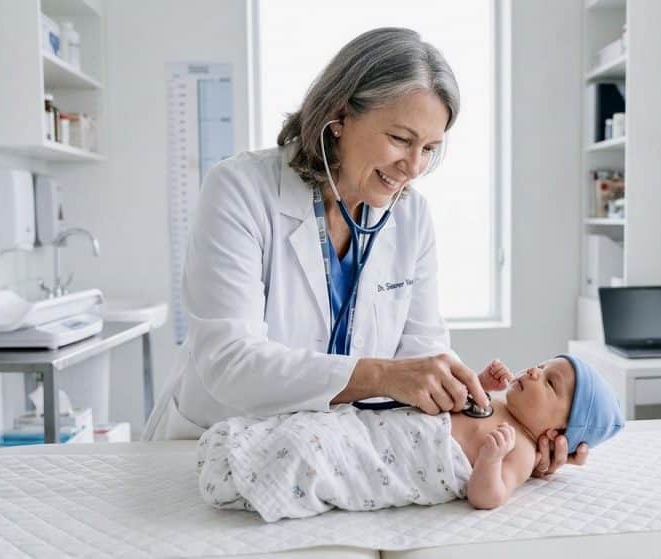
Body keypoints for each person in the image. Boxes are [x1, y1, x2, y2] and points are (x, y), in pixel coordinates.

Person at [145, 27, 587, 476]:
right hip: (214, 448)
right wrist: (379, 376)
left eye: (430, 149)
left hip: (323, 461)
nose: (413, 167)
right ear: (339, 116)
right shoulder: (240, 190)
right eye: (400, 139)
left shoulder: (411, 218)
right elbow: (230, 362)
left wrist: (519, 434)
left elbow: (422, 357)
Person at [197, 354, 624, 521]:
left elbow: (488, 497)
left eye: (549, 384)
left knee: (323, 453)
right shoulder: (502, 406)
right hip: (382, 427)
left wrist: (491, 463)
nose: (533, 372)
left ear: (557, 433)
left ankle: (262, 475)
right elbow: (448, 397)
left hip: (395, 459)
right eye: (543, 365)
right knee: (321, 427)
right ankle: (248, 449)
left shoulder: (522, 450)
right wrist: (475, 381)